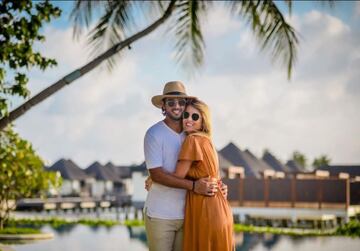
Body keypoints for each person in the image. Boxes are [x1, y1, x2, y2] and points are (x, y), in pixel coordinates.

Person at [144, 81, 227, 251]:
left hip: (189, 214)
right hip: (161, 215)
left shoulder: (192, 133)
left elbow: (206, 168)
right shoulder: (154, 134)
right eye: (171, 102)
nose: (177, 106)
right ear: (163, 106)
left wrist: (218, 185)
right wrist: (194, 186)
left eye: (181, 102)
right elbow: (158, 174)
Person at [168, 98, 234, 251]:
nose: (188, 120)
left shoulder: (192, 140)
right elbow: (215, 177)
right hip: (221, 209)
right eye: (186, 115)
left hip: (206, 210)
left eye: (195, 117)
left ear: (203, 121)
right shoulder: (208, 141)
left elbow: (177, 176)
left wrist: (154, 177)